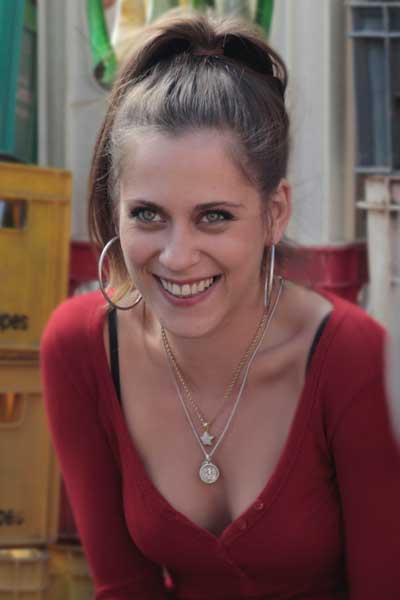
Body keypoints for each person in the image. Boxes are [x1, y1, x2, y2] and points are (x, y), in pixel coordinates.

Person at [40, 9, 400, 600]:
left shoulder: (353, 357)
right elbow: (123, 586)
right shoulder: (80, 347)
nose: (177, 256)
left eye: (214, 216)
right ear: (115, 208)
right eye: (147, 214)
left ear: (274, 213)